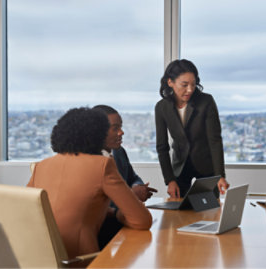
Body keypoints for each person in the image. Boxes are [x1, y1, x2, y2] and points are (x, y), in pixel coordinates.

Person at [27, 107, 152, 259]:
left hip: (37, 256)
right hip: (81, 260)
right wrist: (119, 214)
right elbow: (142, 221)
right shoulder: (102, 165)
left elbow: (32, 210)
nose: (121, 132)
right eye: (113, 128)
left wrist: (111, 212)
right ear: (97, 134)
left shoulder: (42, 166)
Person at [155, 59, 230, 198]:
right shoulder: (161, 107)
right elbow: (162, 147)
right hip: (179, 168)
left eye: (193, 84)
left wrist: (220, 176)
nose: (190, 89)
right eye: (184, 85)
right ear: (170, 82)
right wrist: (169, 180)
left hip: (206, 167)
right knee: (178, 214)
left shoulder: (206, 101)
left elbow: (215, 141)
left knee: (209, 213)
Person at [92, 104, 157, 248]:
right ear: (98, 131)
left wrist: (137, 187)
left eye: (121, 127)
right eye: (115, 128)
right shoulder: (89, 161)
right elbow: (93, 204)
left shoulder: (119, 152)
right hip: (104, 231)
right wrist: (131, 195)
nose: (121, 132)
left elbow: (133, 177)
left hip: (126, 222)